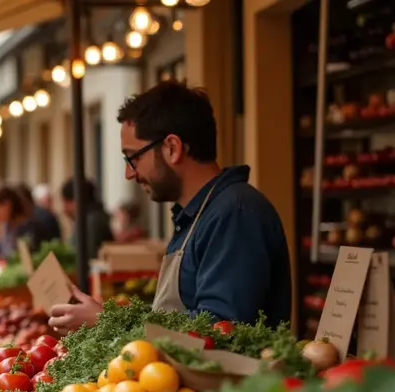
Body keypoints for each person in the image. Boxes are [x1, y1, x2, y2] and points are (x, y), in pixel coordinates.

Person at [49, 81, 291, 335]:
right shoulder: (197, 214)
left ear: (172, 148)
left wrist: (108, 323)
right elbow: (179, 318)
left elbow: (218, 333)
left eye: (134, 158)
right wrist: (108, 316)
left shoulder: (234, 214)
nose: (129, 173)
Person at [60, 178, 114, 264]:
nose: (64, 209)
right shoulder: (94, 217)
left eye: (66, 202)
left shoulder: (88, 222)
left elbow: (83, 255)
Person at [0, 182, 35, 257]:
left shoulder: (28, 228)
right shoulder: (7, 224)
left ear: (7, 205)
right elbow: (2, 247)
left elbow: (21, 258)